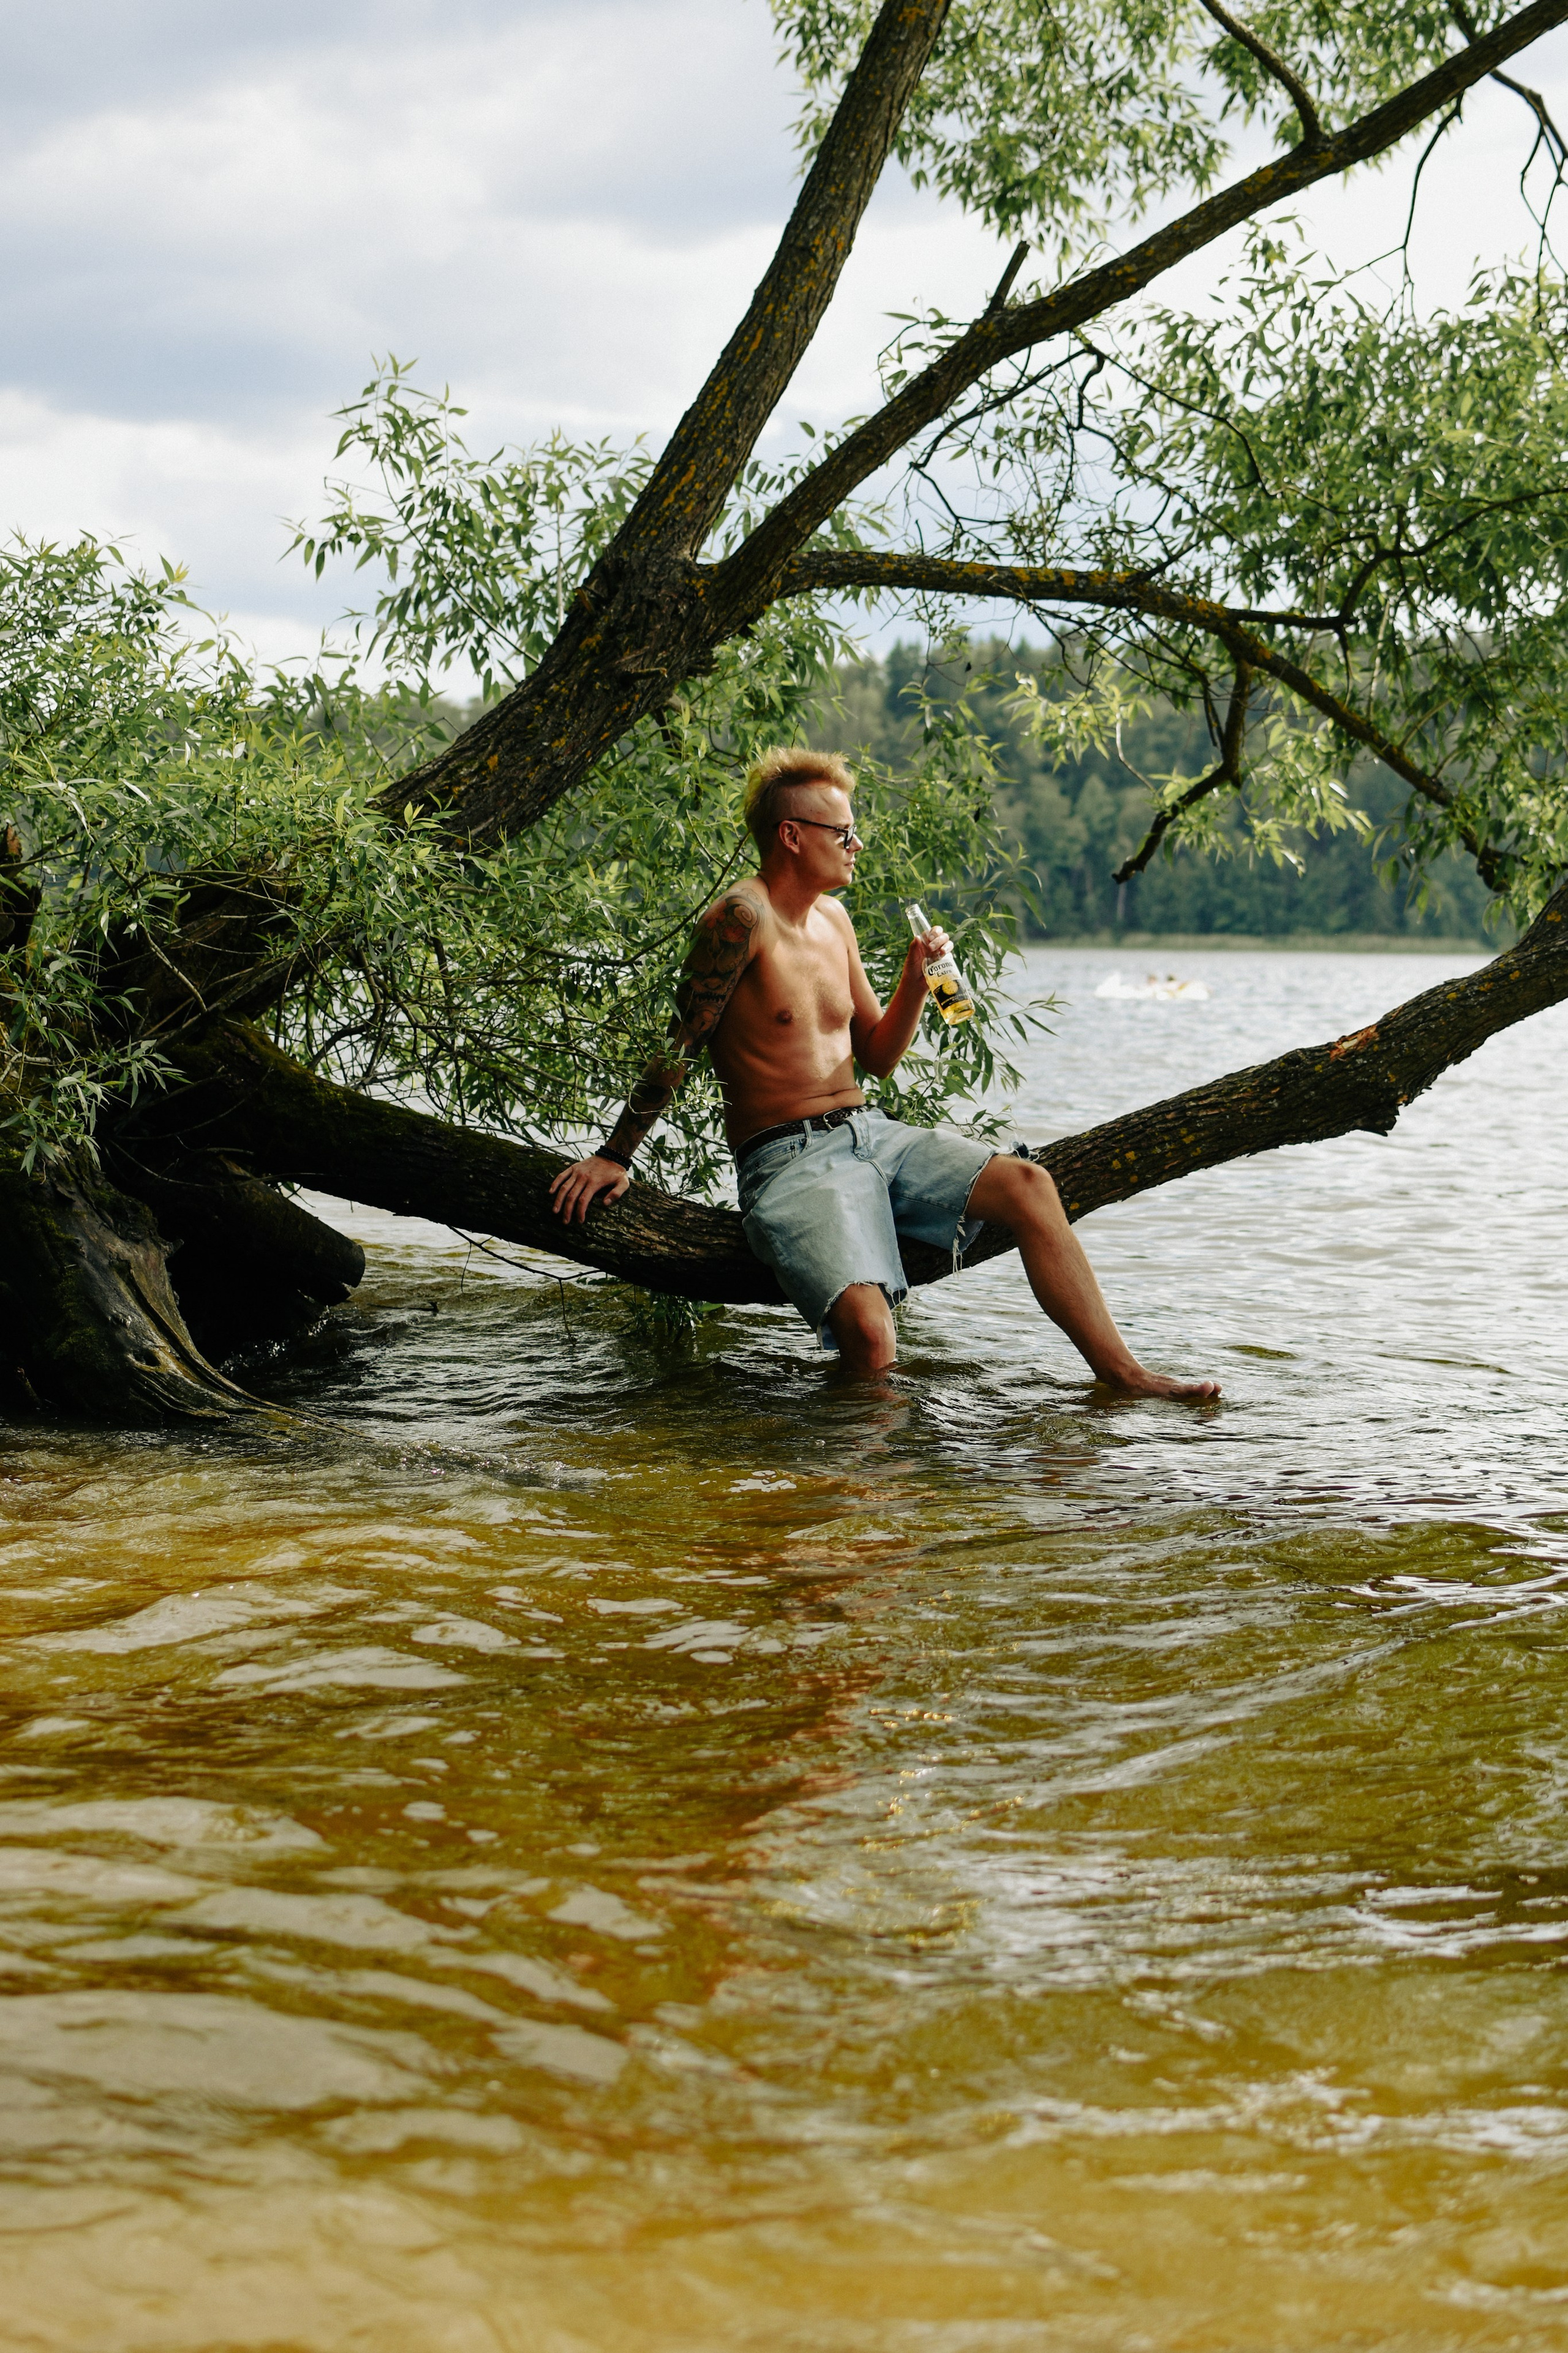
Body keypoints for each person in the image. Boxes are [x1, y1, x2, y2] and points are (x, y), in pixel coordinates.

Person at [550, 749, 1219, 1397]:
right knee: (872, 1338)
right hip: (787, 1159)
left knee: (1029, 1185)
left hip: (873, 1133)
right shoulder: (740, 919)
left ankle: (1124, 1376)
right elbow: (682, 1044)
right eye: (842, 831)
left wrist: (913, 982)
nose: (856, 844)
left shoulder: (833, 920)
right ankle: (866, 1493)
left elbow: (876, 1056)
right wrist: (615, 1155)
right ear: (791, 835)